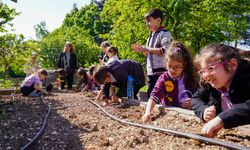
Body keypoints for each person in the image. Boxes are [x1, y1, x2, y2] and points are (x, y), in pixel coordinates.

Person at [191, 43, 250, 138]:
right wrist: (203, 110)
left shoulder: (246, 78)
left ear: (232, 65)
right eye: (202, 71)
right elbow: (196, 98)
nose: (205, 75)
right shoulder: (210, 84)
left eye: (210, 68)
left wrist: (222, 119)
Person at [142, 41, 198, 122]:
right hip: (170, 115)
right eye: (169, 66)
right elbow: (154, 95)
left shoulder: (191, 77)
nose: (172, 70)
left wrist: (193, 102)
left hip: (189, 115)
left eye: (177, 66)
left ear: (184, 64)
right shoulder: (164, 78)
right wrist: (148, 112)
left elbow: (200, 96)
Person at [132, 8, 173, 97]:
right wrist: (142, 50)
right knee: (151, 94)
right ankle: (152, 110)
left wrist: (147, 49)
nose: (147, 24)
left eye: (149, 21)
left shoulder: (165, 33)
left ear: (158, 20)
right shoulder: (150, 37)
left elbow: (166, 50)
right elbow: (148, 53)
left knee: (163, 94)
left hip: (162, 71)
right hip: (151, 72)